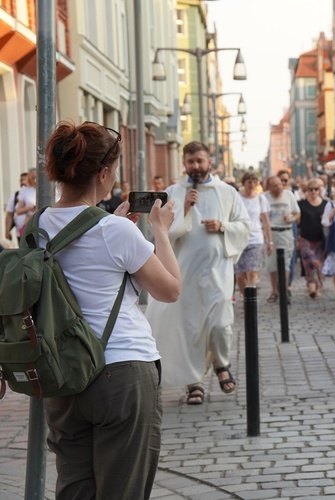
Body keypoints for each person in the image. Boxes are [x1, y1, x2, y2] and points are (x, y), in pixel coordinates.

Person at [41, 121, 181, 498]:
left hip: (63, 375)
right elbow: (170, 289)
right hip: (121, 373)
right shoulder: (115, 231)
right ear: (103, 174)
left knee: (74, 490)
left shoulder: (38, 227)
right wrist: (160, 231)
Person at [146, 141, 251, 405]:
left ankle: (221, 363)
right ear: (184, 163)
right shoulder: (172, 192)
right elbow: (159, 232)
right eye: (191, 161)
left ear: (209, 162)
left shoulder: (226, 192)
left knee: (219, 324)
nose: (195, 166)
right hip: (185, 274)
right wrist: (185, 211)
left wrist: (223, 226)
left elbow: (245, 225)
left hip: (218, 274)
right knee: (190, 330)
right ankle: (195, 385)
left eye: (200, 161)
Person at [263, 175, 300, 303]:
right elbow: (261, 216)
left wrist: (292, 218)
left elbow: (297, 212)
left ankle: (284, 291)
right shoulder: (264, 197)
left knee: (286, 263)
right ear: (269, 187)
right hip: (271, 232)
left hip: (286, 232)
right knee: (271, 264)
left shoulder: (289, 195)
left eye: (280, 184)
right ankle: (274, 291)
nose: (278, 187)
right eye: (275, 185)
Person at [235, 172, 272, 297]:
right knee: (240, 275)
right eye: (249, 182)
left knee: (252, 272)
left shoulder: (260, 198)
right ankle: (244, 295)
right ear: (243, 183)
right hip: (239, 238)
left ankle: (250, 299)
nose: (251, 185)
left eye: (254, 182)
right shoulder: (237, 197)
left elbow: (265, 220)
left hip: (256, 238)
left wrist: (269, 241)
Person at [297, 177, 327, 298]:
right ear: (307, 190)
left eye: (316, 189)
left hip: (321, 238)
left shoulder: (326, 204)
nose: (313, 191)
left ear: (319, 190)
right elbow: (298, 221)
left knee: (318, 262)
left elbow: (330, 221)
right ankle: (312, 286)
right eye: (311, 189)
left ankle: (315, 289)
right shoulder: (301, 204)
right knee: (311, 262)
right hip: (305, 238)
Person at [5, 172, 28, 242]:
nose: (23, 182)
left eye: (25, 180)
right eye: (21, 180)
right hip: (20, 233)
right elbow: (9, 214)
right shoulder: (16, 195)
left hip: (31, 231)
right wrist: (7, 231)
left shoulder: (34, 194)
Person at [14, 168, 37, 236]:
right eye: (32, 178)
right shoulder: (25, 191)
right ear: (29, 179)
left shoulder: (48, 190)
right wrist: (29, 208)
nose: (35, 181)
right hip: (30, 223)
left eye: (36, 177)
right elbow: (18, 211)